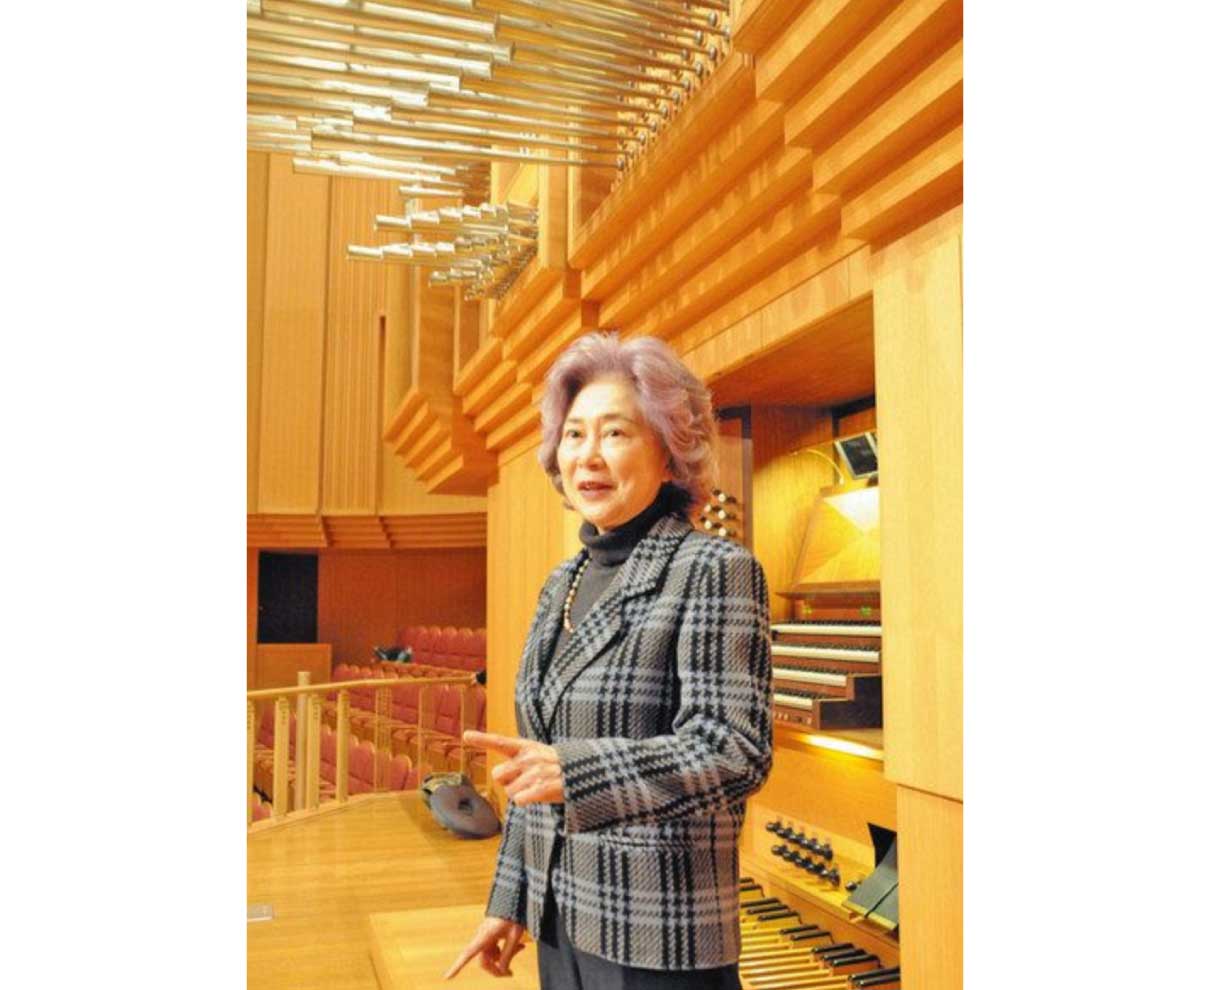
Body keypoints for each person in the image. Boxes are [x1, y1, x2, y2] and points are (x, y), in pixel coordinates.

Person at [444, 332, 773, 989]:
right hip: (561, 920)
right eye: (574, 435)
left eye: (615, 433)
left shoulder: (713, 568)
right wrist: (510, 901)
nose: (587, 455)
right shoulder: (560, 583)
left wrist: (576, 770)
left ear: (669, 453)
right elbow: (537, 765)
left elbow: (735, 749)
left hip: (659, 935)